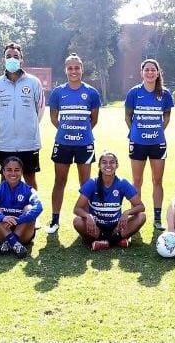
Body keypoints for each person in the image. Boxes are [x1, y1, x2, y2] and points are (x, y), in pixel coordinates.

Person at [49, 54, 101, 235]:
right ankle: (55, 219)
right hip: (63, 143)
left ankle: (86, 218)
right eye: (70, 68)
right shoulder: (57, 92)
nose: (74, 71)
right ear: (65, 70)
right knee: (59, 181)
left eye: (76, 67)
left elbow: (93, 121)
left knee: (85, 183)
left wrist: (80, 133)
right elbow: (54, 119)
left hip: (84, 144)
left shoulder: (92, 93)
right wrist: (67, 131)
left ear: (82, 69)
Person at [124, 59, 173, 231]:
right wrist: (136, 132)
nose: (150, 73)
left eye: (153, 70)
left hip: (157, 143)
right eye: (147, 70)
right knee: (137, 180)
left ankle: (157, 217)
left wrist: (159, 130)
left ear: (158, 73)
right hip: (137, 142)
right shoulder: (134, 93)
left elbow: (167, 116)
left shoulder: (165, 94)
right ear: (142, 72)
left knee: (157, 180)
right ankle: (137, 215)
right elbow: (128, 116)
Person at [0, 42, 45, 190]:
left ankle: (32, 212)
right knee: (4, 179)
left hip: (28, 142)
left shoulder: (34, 82)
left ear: (21, 59)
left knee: (30, 179)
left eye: (15, 56)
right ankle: (4, 213)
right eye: (8, 56)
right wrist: (6, 126)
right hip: (5, 142)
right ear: (3, 59)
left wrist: (28, 126)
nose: (12, 59)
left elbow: (39, 110)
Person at [73, 151, 146, 250]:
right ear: (99, 165)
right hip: (96, 227)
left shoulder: (122, 183)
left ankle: (104, 242)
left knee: (141, 217)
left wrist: (127, 212)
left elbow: (141, 207)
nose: (108, 165)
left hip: (116, 227)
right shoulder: (92, 183)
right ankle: (115, 240)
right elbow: (77, 209)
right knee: (77, 221)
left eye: (112, 162)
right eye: (104, 162)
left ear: (117, 165)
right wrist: (87, 216)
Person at [0, 157, 43, 258]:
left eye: (16, 170)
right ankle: (15, 244)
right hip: (1, 235)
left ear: (22, 172)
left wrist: (19, 220)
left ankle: (9, 244)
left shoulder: (28, 190)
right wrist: (3, 218)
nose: (13, 173)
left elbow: (39, 207)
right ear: (3, 172)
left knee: (29, 208)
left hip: (24, 235)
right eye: (9, 170)